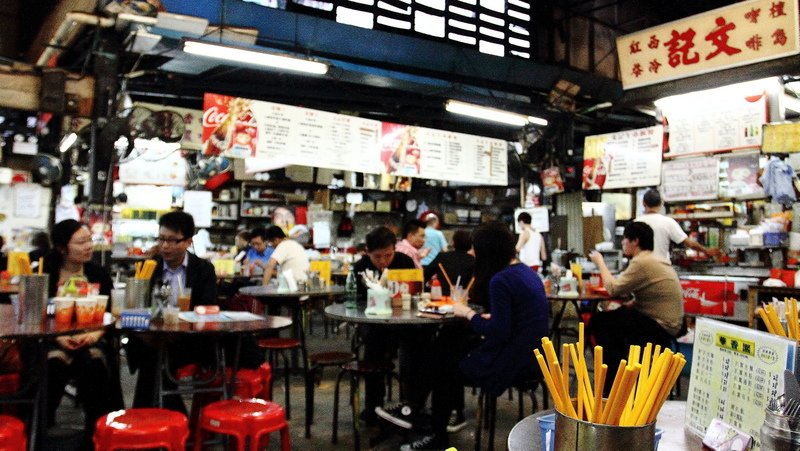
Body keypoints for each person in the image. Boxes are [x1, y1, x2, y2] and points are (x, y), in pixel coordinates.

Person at [396, 221, 549, 450]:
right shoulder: (526, 273)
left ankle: (432, 431)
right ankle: (417, 411)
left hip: (510, 363)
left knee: (442, 366)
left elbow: (498, 333)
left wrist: (467, 313)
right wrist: (487, 317)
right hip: (534, 360)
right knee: (447, 349)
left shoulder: (500, 280)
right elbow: (515, 322)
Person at [42, 220, 123, 450]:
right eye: (81, 242)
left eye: (90, 240)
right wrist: (58, 337)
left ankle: (94, 435)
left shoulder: (98, 274)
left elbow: (110, 314)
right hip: (52, 337)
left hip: (92, 337)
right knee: (55, 362)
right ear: (61, 247)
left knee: (94, 363)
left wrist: (95, 335)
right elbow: (38, 314)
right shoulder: (46, 272)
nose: (89, 246)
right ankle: (41, 429)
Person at [130, 210, 218, 409]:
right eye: (161, 239)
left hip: (189, 339)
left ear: (188, 242)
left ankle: (147, 417)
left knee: (156, 359)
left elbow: (208, 307)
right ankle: (161, 419)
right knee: (151, 355)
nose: (165, 246)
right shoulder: (150, 267)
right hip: (153, 336)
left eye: (172, 240)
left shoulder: (203, 269)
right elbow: (138, 304)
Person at [588, 221, 684, 394]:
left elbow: (613, 288)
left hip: (661, 327)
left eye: (625, 238)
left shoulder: (642, 262)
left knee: (600, 322)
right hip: (670, 323)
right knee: (615, 317)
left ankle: (612, 379)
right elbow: (651, 297)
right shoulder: (652, 258)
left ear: (635, 241)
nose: (623, 242)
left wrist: (599, 262)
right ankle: (616, 374)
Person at [351, 226, 418, 423]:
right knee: (373, 348)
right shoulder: (360, 268)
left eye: (388, 255)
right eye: (377, 256)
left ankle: (412, 404)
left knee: (418, 347)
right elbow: (357, 303)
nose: (383, 261)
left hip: (404, 321)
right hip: (374, 323)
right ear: (367, 252)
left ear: (394, 250)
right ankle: (374, 406)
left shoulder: (405, 262)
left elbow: (415, 294)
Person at [635, 188, 716, 262]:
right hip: (662, 269)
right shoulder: (668, 222)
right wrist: (706, 250)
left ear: (643, 203)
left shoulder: (635, 223)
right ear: (661, 203)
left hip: (640, 269)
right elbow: (689, 243)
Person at [423, 230, 474, 297]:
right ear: (470, 244)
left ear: (454, 242)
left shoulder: (442, 257)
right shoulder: (473, 260)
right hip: (463, 298)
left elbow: (424, 275)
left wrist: (429, 290)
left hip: (441, 298)